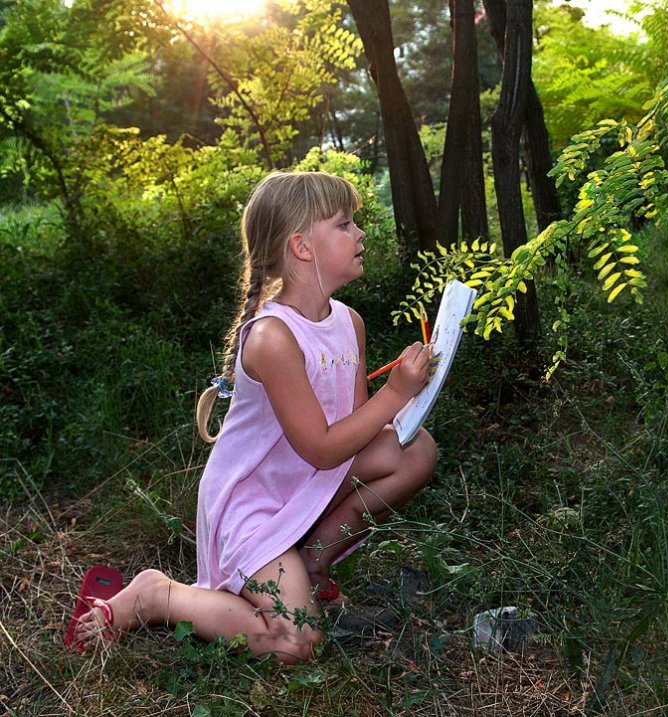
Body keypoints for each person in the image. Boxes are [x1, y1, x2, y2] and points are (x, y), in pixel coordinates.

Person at [67, 171, 437, 662]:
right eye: (345, 224)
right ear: (302, 247)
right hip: (254, 508)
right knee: (295, 643)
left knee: (416, 448)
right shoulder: (272, 338)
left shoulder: (349, 322)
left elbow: (351, 426)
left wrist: (406, 402)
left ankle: (313, 563)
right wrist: (392, 395)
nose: (361, 233)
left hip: (307, 486)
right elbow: (322, 447)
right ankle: (159, 596)